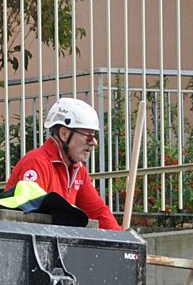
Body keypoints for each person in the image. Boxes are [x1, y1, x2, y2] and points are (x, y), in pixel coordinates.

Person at [7, 97, 121, 230]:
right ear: (64, 134)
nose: (94, 142)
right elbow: (32, 216)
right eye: (88, 135)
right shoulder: (36, 162)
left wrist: (126, 242)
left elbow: (98, 212)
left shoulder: (78, 170)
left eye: (94, 136)